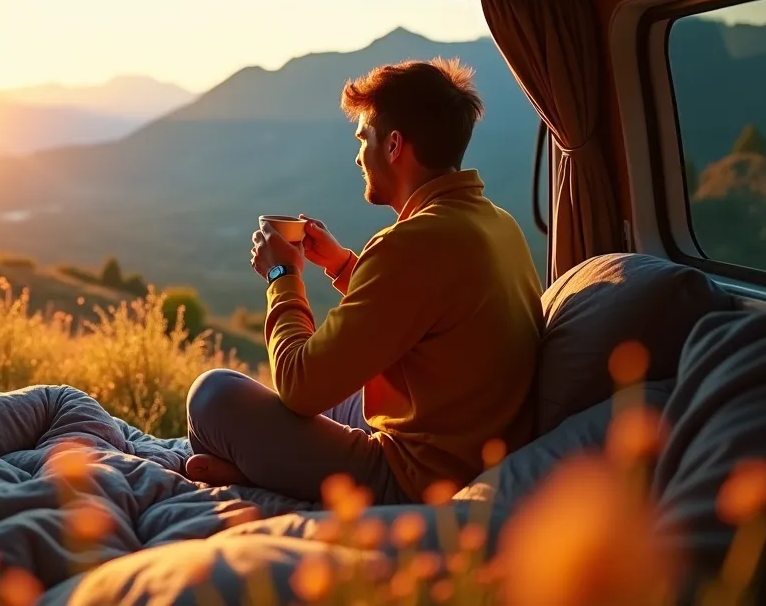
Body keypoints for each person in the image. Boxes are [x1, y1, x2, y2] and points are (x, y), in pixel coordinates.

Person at [183, 58, 543, 505]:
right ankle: (253, 469)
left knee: (212, 396)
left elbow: (299, 387)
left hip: (412, 477)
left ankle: (256, 474)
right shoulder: (495, 223)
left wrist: (283, 274)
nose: (358, 156)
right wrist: (340, 265)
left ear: (393, 145)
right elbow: (424, 309)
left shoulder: (410, 243)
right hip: (468, 449)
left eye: (363, 138)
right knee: (345, 388)